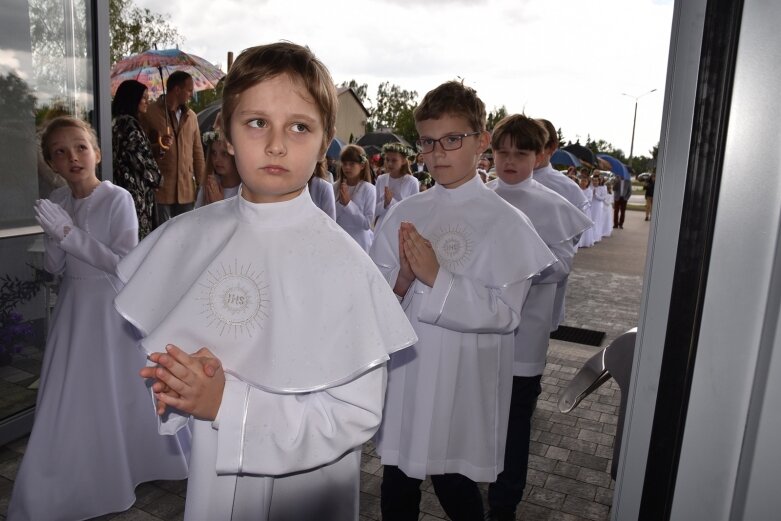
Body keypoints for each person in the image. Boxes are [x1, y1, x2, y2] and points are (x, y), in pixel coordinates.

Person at [114, 42, 417, 521]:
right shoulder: (189, 237)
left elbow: (356, 413)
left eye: (299, 126)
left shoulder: (344, 264)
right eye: (257, 122)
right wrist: (182, 381)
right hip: (217, 471)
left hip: (306, 486)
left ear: (324, 142)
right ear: (227, 136)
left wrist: (227, 405)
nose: (276, 143)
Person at [369, 81, 556, 521]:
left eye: (453, 139)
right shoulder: (404, 211)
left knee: (455, 483)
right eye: (428, 142)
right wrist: (403, 281)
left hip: (462, 375)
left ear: (481, 140)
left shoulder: (506, 221)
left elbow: (505, 313)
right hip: (410, 372)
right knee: (397, 481)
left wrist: (437, 277)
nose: (438, 153)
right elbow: (375, 298)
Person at [8, 116, 189, 521]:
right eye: (60, 152)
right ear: (52, 163)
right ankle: (76, 470)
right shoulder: (57, 201)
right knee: (71, 391)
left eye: (80, 147)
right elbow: (55, 267)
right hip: (74, 308)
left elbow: (122, 264)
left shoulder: (117, 198)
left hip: (110, 309)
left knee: (118, 389)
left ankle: (138, 461)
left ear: (97, 153)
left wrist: (70, 233)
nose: (72, 157)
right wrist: (55, 237)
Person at [485, 114, 592, 521]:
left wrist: (513, 267)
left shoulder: (553, 205)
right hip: (477, 331)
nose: (510, 161)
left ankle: (504, 503)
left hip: (525, 333)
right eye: (502, 152)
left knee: (514, 426)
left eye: (521, 153)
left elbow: (561, 265)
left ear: (538, 155)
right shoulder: (480, 195)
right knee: (478, 416)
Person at [534, 118, 590, 328]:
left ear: (552, 148)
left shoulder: (568, 189)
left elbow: (574, 235)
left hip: (545, 279)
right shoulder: (500, 184)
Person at [140, 70, 205, 225]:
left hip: (186, 191)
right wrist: (160, 145)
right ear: (177, 90)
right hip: (161, 190)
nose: (191, 94)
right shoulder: (149, 113)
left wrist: (202, 185)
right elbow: (141, 148)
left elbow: (198, 152)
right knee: (161, 237)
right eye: (189, 90)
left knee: (186, 237)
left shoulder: (192, 117)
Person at [111, 79, 161, 239]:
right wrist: (157, 178)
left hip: (120, 188)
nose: (147, 101)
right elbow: (139, 158)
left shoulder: (115, 122)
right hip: (135, 193)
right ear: (133, 99)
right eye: (144, 97)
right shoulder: (129, 124)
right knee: (139, 240)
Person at [334, 144, 376, 250]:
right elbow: (331, 216)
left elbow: (367, 224)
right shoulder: (335, 186)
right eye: (344, 163)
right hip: (339, 240)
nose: (347, 167)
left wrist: (348, 204)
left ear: (362, 166)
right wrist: (340, 204)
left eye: (352, 164)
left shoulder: (369, 189)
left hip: (360, 243)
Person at [374, 142, 419, 229]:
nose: (390, 163)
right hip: (382, 227)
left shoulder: (411, 181)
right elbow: (374, 210)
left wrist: (391, 201)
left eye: (394, 160)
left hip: (399, 228)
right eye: (387, 160)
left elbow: (413, 211)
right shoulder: (381, 179)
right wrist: (385, 203)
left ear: (403, 161)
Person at [195, 126, 241, 208]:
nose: (217, 159)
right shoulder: (210, 185)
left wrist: (218, 205)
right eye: (214, 153)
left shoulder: (245, 190)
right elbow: (196, 217)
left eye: (224, 154)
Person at [577, 175, 596, 248]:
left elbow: (589, 200)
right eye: (582, 181)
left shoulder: (589, 191)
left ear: (588, 183)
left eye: (585, 181)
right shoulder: (578, 189)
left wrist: (582, 200)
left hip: (585, 210)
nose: (583, 182)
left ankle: (584, 241)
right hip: (578, 209)